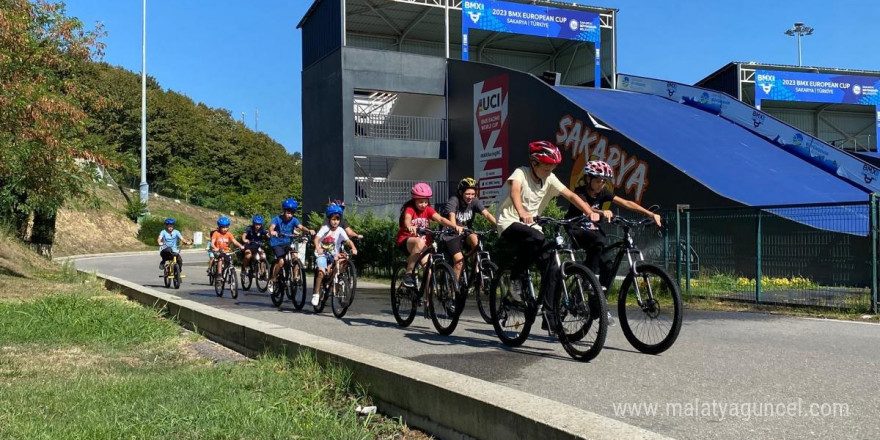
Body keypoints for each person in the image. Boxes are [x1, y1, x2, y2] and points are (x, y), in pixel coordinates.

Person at [494, 141, 600, 330]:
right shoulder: (521, 173)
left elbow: (571, 195)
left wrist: (588, 211)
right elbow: (515, 191)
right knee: (537, 238)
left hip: (533, 227)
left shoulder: (550, 178)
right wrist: (521, 212)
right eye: (547, 166)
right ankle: (516, 278)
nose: (550, 170)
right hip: (510, 222)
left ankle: (549, 316)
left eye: (554, 166)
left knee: (553, 266)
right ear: (534, 164)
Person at [565, 160, 662, 286]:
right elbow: (585, 206)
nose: (601, 184)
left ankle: (597, 302)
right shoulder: (580, 192)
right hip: (575, 227)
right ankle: (587, 279)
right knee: (597, 240)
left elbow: (626, 203)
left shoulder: (603, 192)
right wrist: (601, 212)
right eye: (598, 181)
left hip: (592, 229)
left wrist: (650, 214)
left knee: (608, 267)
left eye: (604, 181)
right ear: (588, 179)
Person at [396, 182, 462, 288]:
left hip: (423, 245)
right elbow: (407, 219)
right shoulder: (410, 209)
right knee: (419, 241)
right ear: (414, 200)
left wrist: (454, 226)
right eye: (420, 202)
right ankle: (408, 274)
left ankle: (428, 302)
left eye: (426, 201)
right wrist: (410, 226)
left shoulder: (428, 210)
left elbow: (440, 219)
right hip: (406, 240)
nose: (423, 204)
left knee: (429, 272)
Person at [445, 177, 497, 282]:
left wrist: (498, 225)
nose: (470, 197)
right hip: (450, 234)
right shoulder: (453, 201)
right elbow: (451, 216)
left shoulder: (474, 201)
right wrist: (455, 226)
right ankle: (453, 293)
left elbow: (486, 214)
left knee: (475, 238)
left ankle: (476, 270)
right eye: (468, 194)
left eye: (473, 194)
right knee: (459, 262)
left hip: (466, 233)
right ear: (461, 192)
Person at [312, 205, 358, 306]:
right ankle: (316, 294)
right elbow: (316, 238)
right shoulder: (325, 228)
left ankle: (331, 282)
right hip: (322, 254)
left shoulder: (340, 230)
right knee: (321, 272)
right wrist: (318, 248)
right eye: (333, 219)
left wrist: (353, 248)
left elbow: (348, 241)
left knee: (343, 260)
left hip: (334, 254)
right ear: (329, 219)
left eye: (337, 219)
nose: (335, 221)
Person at [268, 198, 315, 292]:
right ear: (284, 211)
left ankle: (295, 277)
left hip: (288, 242)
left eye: (292, 213)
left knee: (295, 257)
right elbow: (271, 227)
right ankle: (273, 280)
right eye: (288, 212)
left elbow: (301, 227)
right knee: (281, 262)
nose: (290, 215)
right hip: (277, 243)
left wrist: (308, 230)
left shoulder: (294, 220)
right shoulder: (277, 219)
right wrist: (272, 232)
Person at [210, 216, 244, 285]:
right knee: (220, 259)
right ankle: (219, 275)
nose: (225, 229)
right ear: (219, 227)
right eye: (223, 227)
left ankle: (229, 273)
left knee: (229, 261)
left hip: (226, 251)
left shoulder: (229, 234)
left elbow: (234, 241)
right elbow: (212, 243)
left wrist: (241, 246)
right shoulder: (216, 233)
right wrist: (215, 248)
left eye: (226, 227)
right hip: (218, 251)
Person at [240, 215, 270, 280]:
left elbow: (267, 234)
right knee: (248, 255)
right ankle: (244, 268)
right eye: (256, 224)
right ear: (253, 223)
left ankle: (262, 273)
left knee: (263, 256)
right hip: (249, 245)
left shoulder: (262, 229)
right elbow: (244, 235)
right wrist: (244, 240)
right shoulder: (249, 228)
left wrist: (270, 236)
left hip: (257, 246)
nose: (257, 226)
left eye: (259, 224)